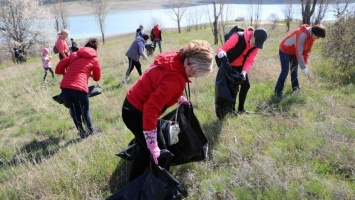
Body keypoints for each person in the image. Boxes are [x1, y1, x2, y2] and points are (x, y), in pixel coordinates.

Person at [121, 40, 213, 181]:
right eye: (193, 72)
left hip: (131, 104)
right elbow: (150, 109)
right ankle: (134, 186)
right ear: (189, 61)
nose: (193, 75)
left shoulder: (176, 57)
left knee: (150, 143)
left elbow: (165, 80)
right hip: (135, 112)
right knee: (150, 151)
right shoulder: (175, 80)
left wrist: (179, 97)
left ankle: (147, 168)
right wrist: (153, 146)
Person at [215, 27, 267, 119]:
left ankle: (241, 109)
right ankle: (229, 111)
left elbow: (250, 60)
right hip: (229, 65)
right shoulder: (237, 37)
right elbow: (221, 49)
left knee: (246, 85)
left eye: (258, 44)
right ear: (253, 35)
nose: (255, 45)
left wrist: (243, 72)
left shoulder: (256, 46)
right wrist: (222, 54)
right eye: (255, 42)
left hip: (240, 67)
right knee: (230, 89)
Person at [55, 38, 102, 139]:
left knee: (74, 111)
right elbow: (97, 77)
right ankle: (91, 131)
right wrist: (89, 74)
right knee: (85, 111)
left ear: (85, 46)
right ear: (95, 49)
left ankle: (82, 133)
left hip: (65, 88)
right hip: (80, 88)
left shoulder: (74, 54)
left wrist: (67, 73)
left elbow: (58, 69)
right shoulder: (94, 59)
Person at [274, 24, 326, 99]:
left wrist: (305, 64)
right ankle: (278, 92)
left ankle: (296, 90)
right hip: (285, 50)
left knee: (294, 71)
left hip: (294, 52)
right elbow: (299, 52)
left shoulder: (312, 37)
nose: (317, 38)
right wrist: (302, 67)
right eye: (317, 36)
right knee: (285, 71)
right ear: (314, 33)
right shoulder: (302, 35)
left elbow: (306, 52)